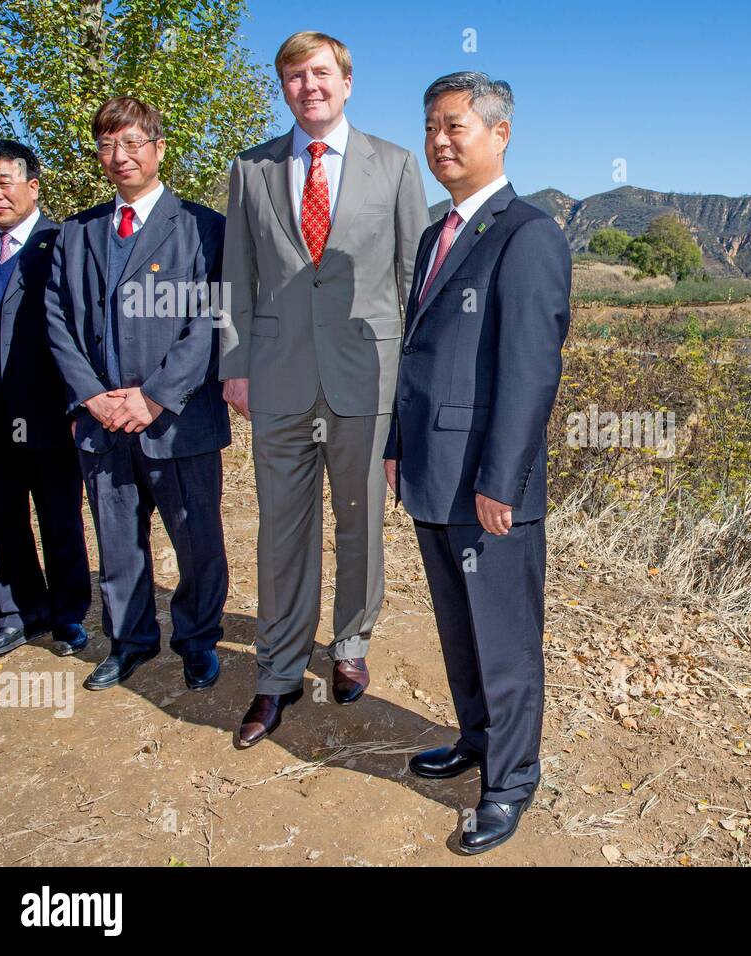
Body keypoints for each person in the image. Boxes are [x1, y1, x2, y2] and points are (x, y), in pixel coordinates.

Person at [219, 31, 429, 746]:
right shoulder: (250, 170)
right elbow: (235, 278)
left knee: (360, 522)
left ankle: (350, 646)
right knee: (281, 530)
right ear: (284, 88)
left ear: (345, 82)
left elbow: (413, 285)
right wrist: (234, 364)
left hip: (367, 376)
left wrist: (412, 389)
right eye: (292, 77)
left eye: (319, 74)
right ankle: (276, 674)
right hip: (276, 378)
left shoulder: (396, 167)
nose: (307, 86)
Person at [385, 72, 572, 854]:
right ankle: (475, 737)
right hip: (433, 470)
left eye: (456, 125)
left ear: (500, 134)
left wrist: (503, 479)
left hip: (488, 484)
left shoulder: (529, 234)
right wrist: (397, 446)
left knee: (503, 637)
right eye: (431, 126)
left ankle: (511, 781)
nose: (439, 140)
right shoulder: (437, 234)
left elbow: (531, 370)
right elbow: (419, 355)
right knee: (459, 629)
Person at [46, 96, 231, 691]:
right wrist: (91, 396)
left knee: (196, 537)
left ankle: (198, 639)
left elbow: (208, 318)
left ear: (158, 149)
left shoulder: (204, 228)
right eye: (106, 145)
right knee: (118, 540)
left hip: (177, 419)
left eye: (131, 143)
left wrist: (153, 396)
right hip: (101, 420)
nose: (118, 156)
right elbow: (56, 319)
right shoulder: (77, 233)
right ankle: (129, 641)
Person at [0, 139, 90, 659]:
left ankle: (67, 617)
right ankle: (17, 613)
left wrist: (77, 403)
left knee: (58, 513)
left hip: (45, 405)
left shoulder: (62, 243)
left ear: (32, 186)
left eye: (3, 181)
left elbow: (82, 330)